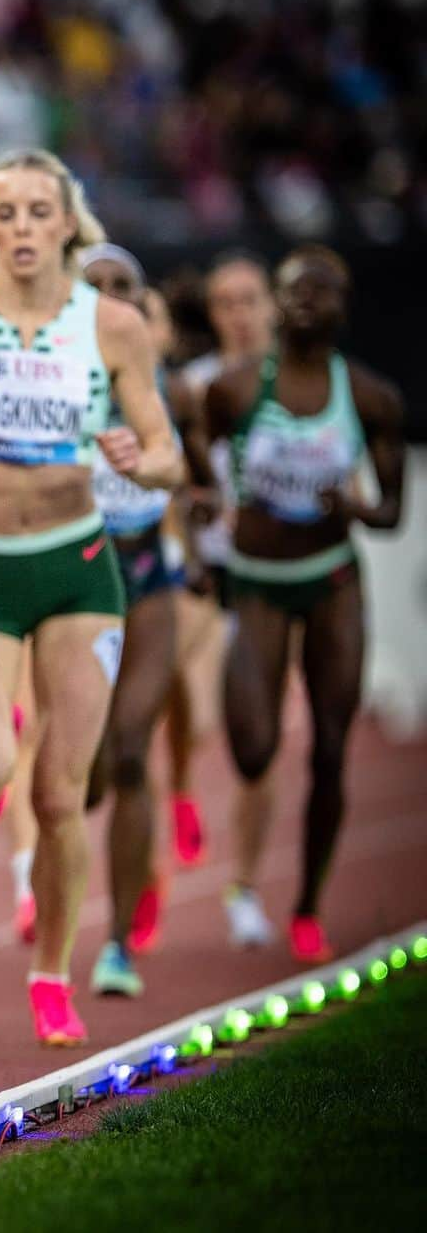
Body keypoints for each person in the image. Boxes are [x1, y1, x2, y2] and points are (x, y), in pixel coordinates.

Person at [0, 150, 182, 1045]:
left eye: (42, 212)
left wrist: (140, 459)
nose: (25, 228)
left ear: (68, 224)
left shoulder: (111, 325)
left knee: (61, 793)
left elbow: (166, 451)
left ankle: (52, 977)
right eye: (7, 213)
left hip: (79, 568)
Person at [206, 245, 405, 962]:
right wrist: (203, 499)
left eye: (320, 293)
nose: (303, 303)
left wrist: (352, 504)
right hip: (256, 581)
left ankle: (310, 907)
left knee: (327, 750)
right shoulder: (233, 390)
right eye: (291, 291)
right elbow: (197, 449)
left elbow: (391, 516)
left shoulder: (372, 398)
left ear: (342, 310)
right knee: (254, 751)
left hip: (331, 583)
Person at [80, 246, 214, 997]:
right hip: (73, 577)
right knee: (86, 771)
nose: (107, 300)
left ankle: (118, 945)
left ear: (142, 304)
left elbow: (196, 476)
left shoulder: (171, 392)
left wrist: (196, 536)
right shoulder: (53, 379)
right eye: (92, 288)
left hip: (146, 577)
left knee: (132, 755)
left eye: (122, 289)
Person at [170, 254, 278, 869]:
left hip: (273, 580)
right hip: (209, 572)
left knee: (255, 736)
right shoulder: (197, 386)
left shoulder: (300, 382)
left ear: (272, 307)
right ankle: (182, 787)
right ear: (212, 314)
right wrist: (201, 508)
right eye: (226, 303)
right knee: (198, 710)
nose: (239, 315)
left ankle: (244, 885)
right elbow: (177, 480)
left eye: (249, 300)